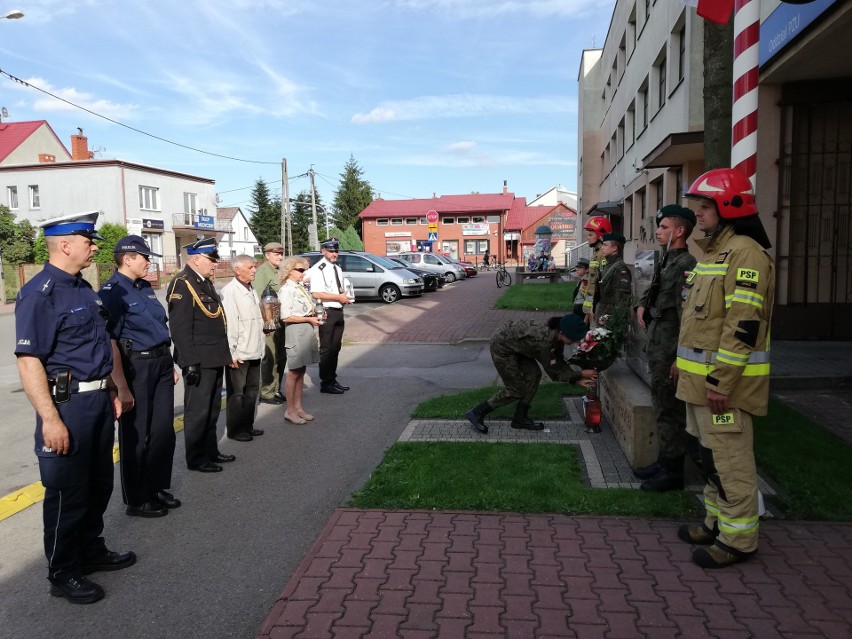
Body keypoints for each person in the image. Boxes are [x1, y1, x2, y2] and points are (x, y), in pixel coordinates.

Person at [15, 212, 134, 604]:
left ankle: (91, 550)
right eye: (88, 240)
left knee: (99, 483)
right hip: (67, 405)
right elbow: (30, 361)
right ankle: (63, 571)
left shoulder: (84, 288)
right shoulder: (40, 293)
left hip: (98, 400)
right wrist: (50, 418)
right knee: (68, 492)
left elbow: (100, 345)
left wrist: (114, 389)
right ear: (65, 244)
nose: (95, 246)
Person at [675, 168, 775, 569]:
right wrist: (680, 366)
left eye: (705, 205)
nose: (698, 213)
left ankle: (739, 540)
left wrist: (722, 382)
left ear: (729, 207)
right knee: (710, 459)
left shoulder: (746, 254)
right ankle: (716, 522)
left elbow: (743, 326)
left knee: (730, 462)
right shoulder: (715, 253)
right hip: (699, 383)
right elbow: (700, 322)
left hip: (722, 387)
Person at [98, 235, 180, 519]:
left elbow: (159, 326)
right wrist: (120, 385)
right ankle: (137, 498)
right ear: (128, 258)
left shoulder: (144, 287)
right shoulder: (112, 291)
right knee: (137, 434)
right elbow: (111, 341)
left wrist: (169, 365)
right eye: (145, 257)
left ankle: (156, 486)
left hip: (160, 362)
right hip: (136, 367)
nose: (149, 262)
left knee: (162, 431)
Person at [633, 206, 698, 492]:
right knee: (661, 404)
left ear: (679, 231)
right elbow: (655, 289)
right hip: (658, 344)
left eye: (663, 227)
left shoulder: (686, 263)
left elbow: (688, 315)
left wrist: (680, 357)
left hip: (670, 347)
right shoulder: (668, 260)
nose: (657, 232)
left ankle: (673, 472)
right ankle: (664, 460)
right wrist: (642, 305)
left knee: (671, 409)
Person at [167, 237, 236, 473]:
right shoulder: (182, 283)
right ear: (196, 259)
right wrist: (190, 362)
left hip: (215, 356)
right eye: (211, 259)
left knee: (213, 407)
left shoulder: (203, 282)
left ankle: (210, 451)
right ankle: (196, 458)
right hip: (199, 359)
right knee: (198, 411)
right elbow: (180, 328)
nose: (215, 264)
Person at [464, 314, 598, 434]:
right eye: (574, 338)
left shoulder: (556, 335)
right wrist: (580, 373)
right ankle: (476, 413)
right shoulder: (545, 342)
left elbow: (558, 359)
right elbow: (553, 372)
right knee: (515, 390)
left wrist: (576, 378)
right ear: (563, 332)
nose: (575, 341)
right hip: (502, 347)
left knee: (534, 374)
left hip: (518, 346)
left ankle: (520, 418)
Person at [220, 255, 265, 442]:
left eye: (255, 266)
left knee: (252, 390)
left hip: (254, 348)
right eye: (250, 267)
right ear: (237, 270)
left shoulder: (250, 288)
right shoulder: (230, 291)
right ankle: (236, 429)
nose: (254, 270)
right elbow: (230, 324)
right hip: (240, 352)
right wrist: (231, 352)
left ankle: (247, 425)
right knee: (237, 393)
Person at [278, 256, 321, 424]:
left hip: (306, 330)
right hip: (296, 332)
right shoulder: (287, 290)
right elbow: (286, 316)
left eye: (305, 270)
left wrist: (314, 316)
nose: (304, 273)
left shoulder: (299, 287)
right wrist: (308, 319)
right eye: (300, 270)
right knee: (294, 371)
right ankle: (290, 410)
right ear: (290, 271)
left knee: (301, 371)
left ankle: (298, 408)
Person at [307, 237, 353, 394]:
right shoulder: (318, 269)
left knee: (336, 347)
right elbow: (316, 293)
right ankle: (326, 382)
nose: (334, 253)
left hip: (339, 310)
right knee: (327, 348)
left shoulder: (337, 268)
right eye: (331, 250)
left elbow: (338, 290)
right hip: (327, 311)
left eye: (336, 251)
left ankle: (332, 379)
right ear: (323, 251)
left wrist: (345, 297)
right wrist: (338, 298)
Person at [253, 242, 287, 405]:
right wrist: (264, 323)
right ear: (267, 255)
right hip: (269, 321)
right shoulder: (263, 271)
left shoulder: (278, 271)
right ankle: (267, 392)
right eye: (276, 254)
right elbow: (256, 297)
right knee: (271, 357)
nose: (280, 256)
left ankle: (276, 389)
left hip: (281, 319)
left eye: (281, 253)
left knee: (281, 356)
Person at [581, 216, 613, 326]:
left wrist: (595, 308)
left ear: (600, 235)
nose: (587, 238)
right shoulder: (596, 253)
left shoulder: (602, 255)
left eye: (590, 234)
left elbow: (602, 284)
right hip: (593, 307)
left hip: (599, 306)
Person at [594, 232, 632, 320]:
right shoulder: (609, 265)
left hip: (611, 317)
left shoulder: (619, 268)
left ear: (614, 248)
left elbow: (622, 299)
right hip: (603, 313)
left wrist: (617, 322)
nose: (602, 248)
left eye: (605, 245)